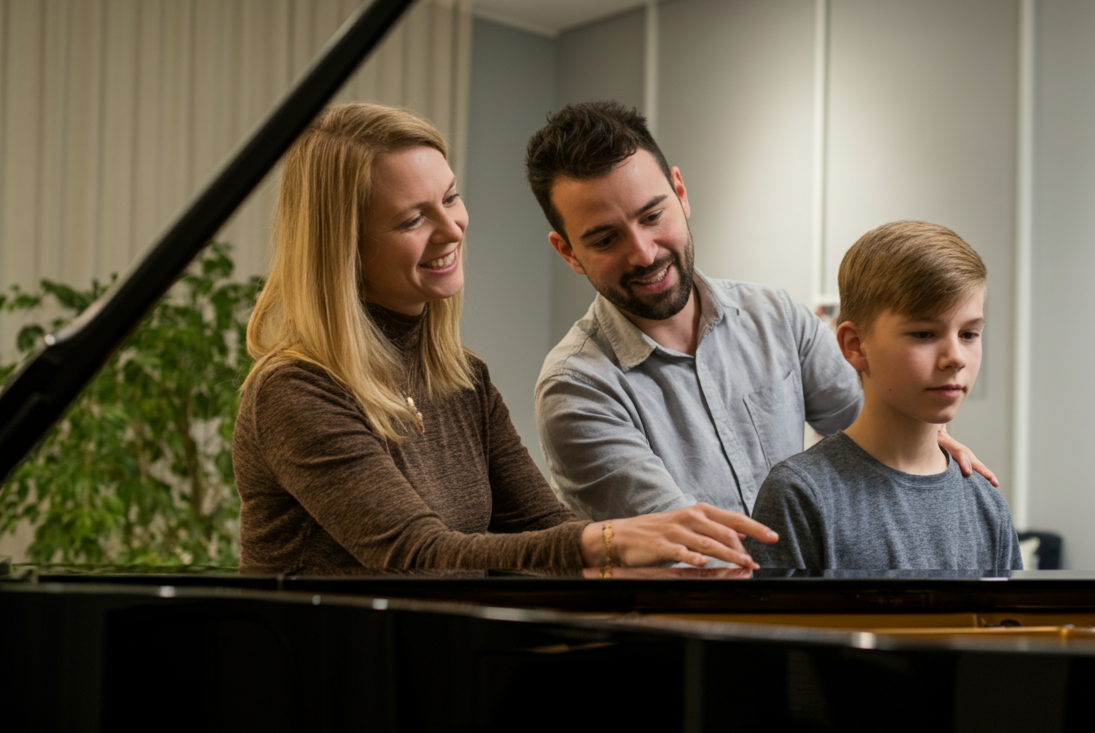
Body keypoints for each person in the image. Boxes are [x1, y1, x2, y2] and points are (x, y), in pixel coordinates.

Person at [234, 102, 776, 575]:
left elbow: (541, 527)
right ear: (343, 248)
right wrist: (608, 541)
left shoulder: (464, 380)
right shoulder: (296, 392)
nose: (452, 230)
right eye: (412, 220)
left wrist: (626, 570)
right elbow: (415, 551)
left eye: (450, 198)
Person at [526, 101, 997, 522]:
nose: (645, 253)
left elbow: (877, 437)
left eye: (652, 216)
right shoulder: (576, 388)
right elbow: (693, 553)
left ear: (680, 192)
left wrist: (923, 444)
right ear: (567, 251)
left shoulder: (777, 318)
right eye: (606, 239)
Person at [746, 221, 1022, 570]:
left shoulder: (987, 506)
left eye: (969, 334)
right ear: (855, 346)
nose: (956, 357)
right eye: (924, 334)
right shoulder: (800, 495)